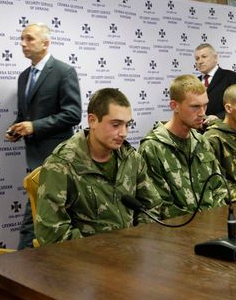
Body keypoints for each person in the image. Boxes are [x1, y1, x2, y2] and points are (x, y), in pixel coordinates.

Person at [35, 89, 161, 245]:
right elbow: (51, 231)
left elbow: (151, 206)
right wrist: (99, 254)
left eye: (127, 125)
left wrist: (137, 240)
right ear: (92, 121)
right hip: (85, 262)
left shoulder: (131, 157)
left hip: (130, 254)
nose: (123, 133)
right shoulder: (61, 165)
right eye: (115, 125)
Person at [5, 22, 81, 249]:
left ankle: (21, 271)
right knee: (40, 220)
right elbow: (24, 115)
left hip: (58, 161)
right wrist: (16, 130)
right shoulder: (23, 77)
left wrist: (34, 126)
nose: (23, 44)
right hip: (34, 161)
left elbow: (73, 114)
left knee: (34, 223)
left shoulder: (64, 71)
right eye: (22, 38)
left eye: (29, 38)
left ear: (46, 43)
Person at [139, 75, 226, 219]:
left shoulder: (201, 141)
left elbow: (219, 187)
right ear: (175, 106)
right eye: (195, 107)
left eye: (205, 105)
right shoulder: (152, 148)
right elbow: (160, 205)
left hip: (213, 224)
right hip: (179, 230)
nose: (202, 113)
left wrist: (215, 219)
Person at [194, 43, 236, 121]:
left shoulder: (232, 77)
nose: (200, 61)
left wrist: (218, 117)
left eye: (204, 57)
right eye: (197, 58)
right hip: (198, 130)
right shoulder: (195, 82)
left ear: (215, 58)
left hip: (222, 128)